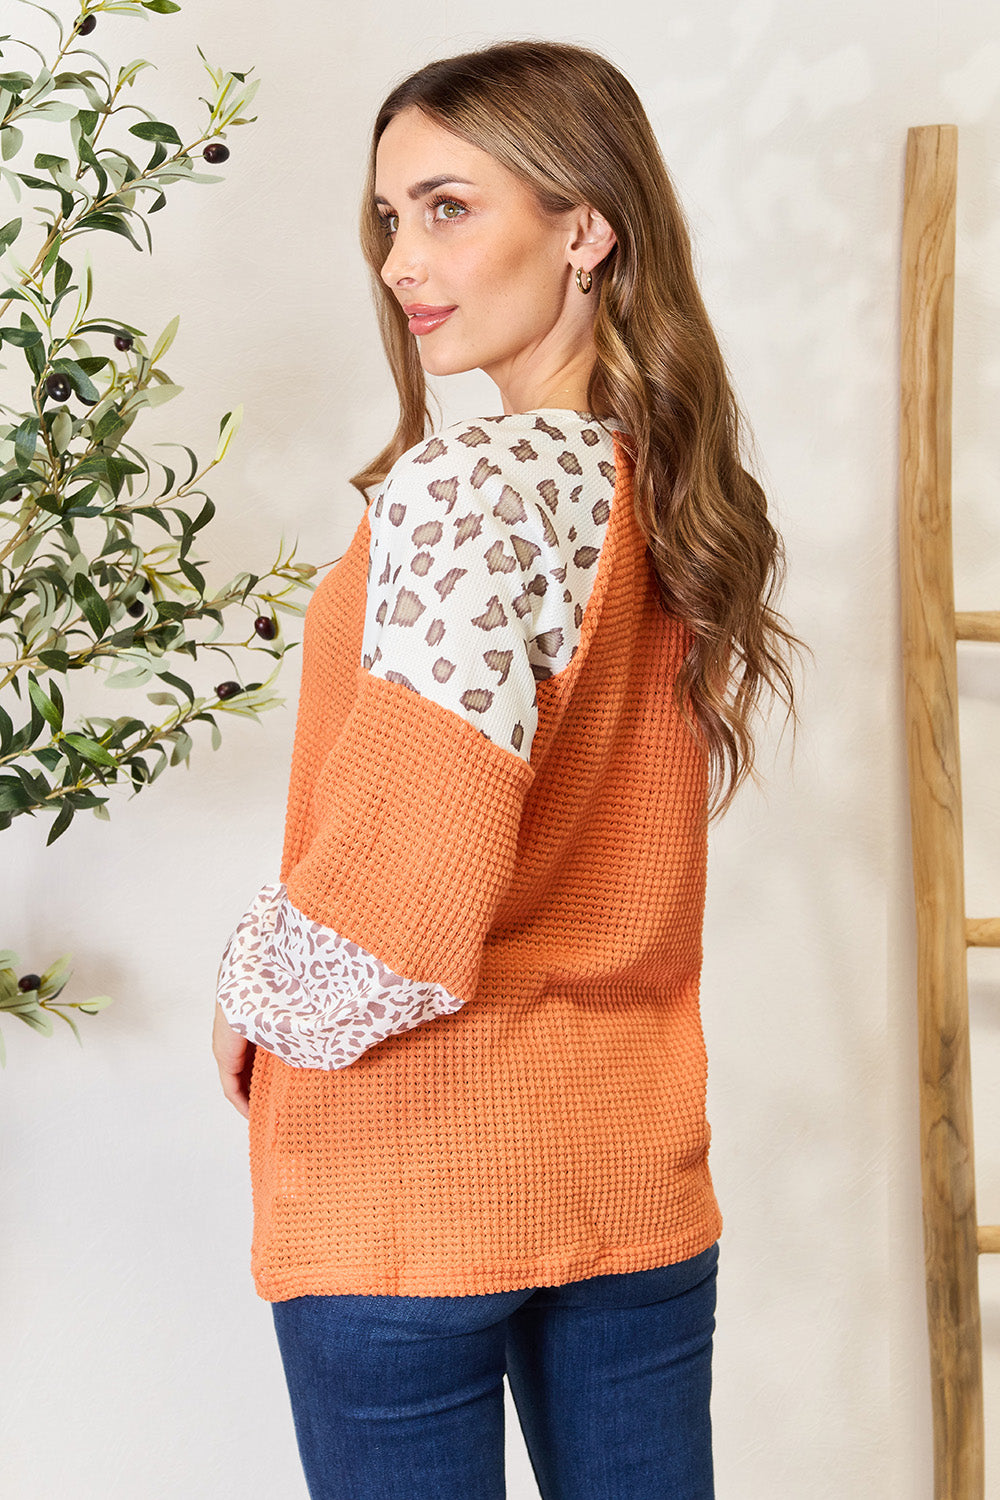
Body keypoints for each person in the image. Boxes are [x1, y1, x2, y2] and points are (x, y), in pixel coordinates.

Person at [212, 37, 800, 1500]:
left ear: (585, 225)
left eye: (449, 207)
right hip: (627, 1163)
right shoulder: (669, 488)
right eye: (391, 219)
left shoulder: (471, 484)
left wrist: (251, 993)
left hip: (411, 1183)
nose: (407, 258)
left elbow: (403, 907)